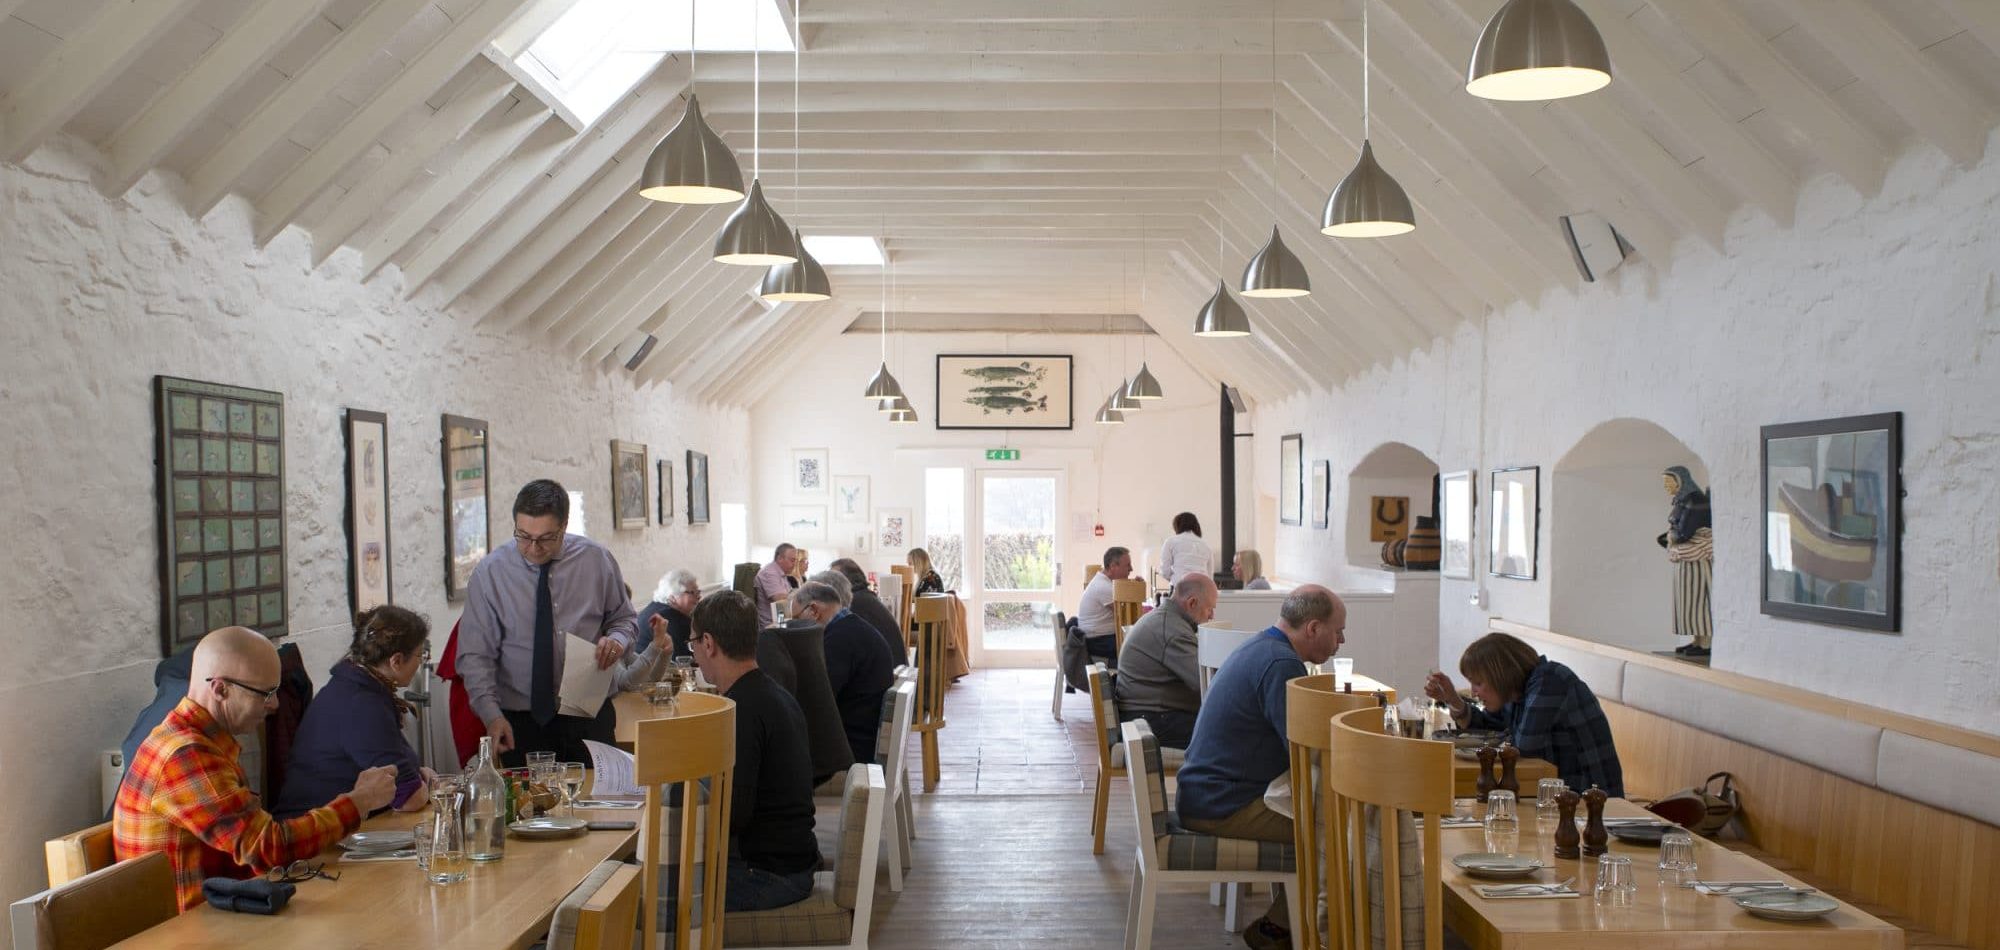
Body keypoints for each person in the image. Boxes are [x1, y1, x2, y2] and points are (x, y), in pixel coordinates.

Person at [114, 626, 398, 911]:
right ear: (220, 689)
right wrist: (358, 802)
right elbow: (267, 848)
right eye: (266, 693)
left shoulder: (199, 739)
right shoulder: (186, 755)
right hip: (187, 933)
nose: (274, 704)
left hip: (222, 912)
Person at [1175, 586, 1347, 950]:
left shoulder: (1261, 646)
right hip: (1223, 805)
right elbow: (1303, 751)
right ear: (1313, 628)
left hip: (1207, 792)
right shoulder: (1282, 664)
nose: (1342, 641)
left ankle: (1283, 927)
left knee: (1332, 821)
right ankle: (1293, 933)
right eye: (1338, 630)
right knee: (1343, 833)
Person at [457, 479, 638, 766]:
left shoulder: (596, 561)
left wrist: (617, 640)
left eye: (545, 538)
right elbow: (475, 656)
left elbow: (624, 618)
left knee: (603, 804)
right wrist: (492, 715)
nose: (533, 547)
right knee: (531, 808)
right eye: (523, 535)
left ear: (565, 525)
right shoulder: (490, 573)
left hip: (587, 711)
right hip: (520, 720)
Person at [681, 591, 819, 912]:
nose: (696, 655)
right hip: (793, 861)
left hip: (767, 876)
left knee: (645, 898)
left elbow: (731, 816)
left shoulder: (741, 710)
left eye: (693, 645)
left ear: (709, 643)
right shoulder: (774, 694)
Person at [274, 607, 437, 818]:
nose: (421, 661)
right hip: (315, 836)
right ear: (396, 661)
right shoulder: (362, 704)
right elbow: (408, 798)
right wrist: (426, 782)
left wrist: (418, 778)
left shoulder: (358, 685)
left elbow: (401, 773)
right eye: (421, 654)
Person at [1425, 632, 1624, 798]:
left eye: (1478, 683)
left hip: (1594, 805)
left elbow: (1524, 750)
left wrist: (1502, 738)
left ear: (1500, 676)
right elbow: (1488, 729)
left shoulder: (1550, 682)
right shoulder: (1518, 692)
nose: (1474, 692)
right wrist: (1452, 699)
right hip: (1558, 798)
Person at [790, 581, 895, 765]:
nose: (794, 627)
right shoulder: (852, 629)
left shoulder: (840, 641)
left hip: (851, 751)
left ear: (814, 610)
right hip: (862, 737)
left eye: (796, 619)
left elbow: (819, 702)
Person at [1114, 574, 1218, 748]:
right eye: (1209, 609)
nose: (1211, 616)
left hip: (1144, 716)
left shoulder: (1167, 619)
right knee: (1230, 733)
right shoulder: (1173, 631)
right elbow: (1206, 683)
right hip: (1150, 722)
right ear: (1192, 603)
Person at [1657, 466, 1714, 657]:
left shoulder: (1695, 500)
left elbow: (1685, 530)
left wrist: (1673, 536)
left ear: (1681, 481)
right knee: (1688, 601)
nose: (1666, 487)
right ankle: (1697, 640)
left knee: (1698, 599)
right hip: (1684, 558)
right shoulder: (1682, 501)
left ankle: (1705, 642)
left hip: (1696, 558)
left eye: (1669, 482)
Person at [831, 557, 909, 666]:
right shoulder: (866, 598)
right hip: (898, 671)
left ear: (844, 583)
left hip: (889, 677)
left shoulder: (853, 605)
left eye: (832, 582)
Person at [1075, 546, 1132, 661]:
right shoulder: (1104, 587)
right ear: (1112, 567)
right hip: (1098, 642)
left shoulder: (1103, 582)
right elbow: (1127, 616)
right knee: (1142, 647)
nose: (1131, 569)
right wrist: (1136, 588)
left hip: (1098, 639)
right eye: (1127, 565)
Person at [637, 568, 701, 658]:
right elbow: (688, 658)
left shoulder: (653, 608)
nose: (698, 596)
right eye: (692, 592)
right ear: (673, 598)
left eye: (698, 592)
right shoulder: (672, 618)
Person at [1159, 512, 1215, 585]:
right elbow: (1210, 576)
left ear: (1177, 526)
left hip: (1179, 587)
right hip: (1201, 589)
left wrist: (1175, 578)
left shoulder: (1171, 542)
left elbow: (1165, 572)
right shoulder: (1206, 545)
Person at [754, 544, 800, 625]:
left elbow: (788, 599)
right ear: (780, 558)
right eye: (792, 560)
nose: (794, 565)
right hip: (770, 627)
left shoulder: (781, 573)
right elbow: (781, 601)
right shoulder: (769, 573)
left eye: (795, 561)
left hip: (780, 622)